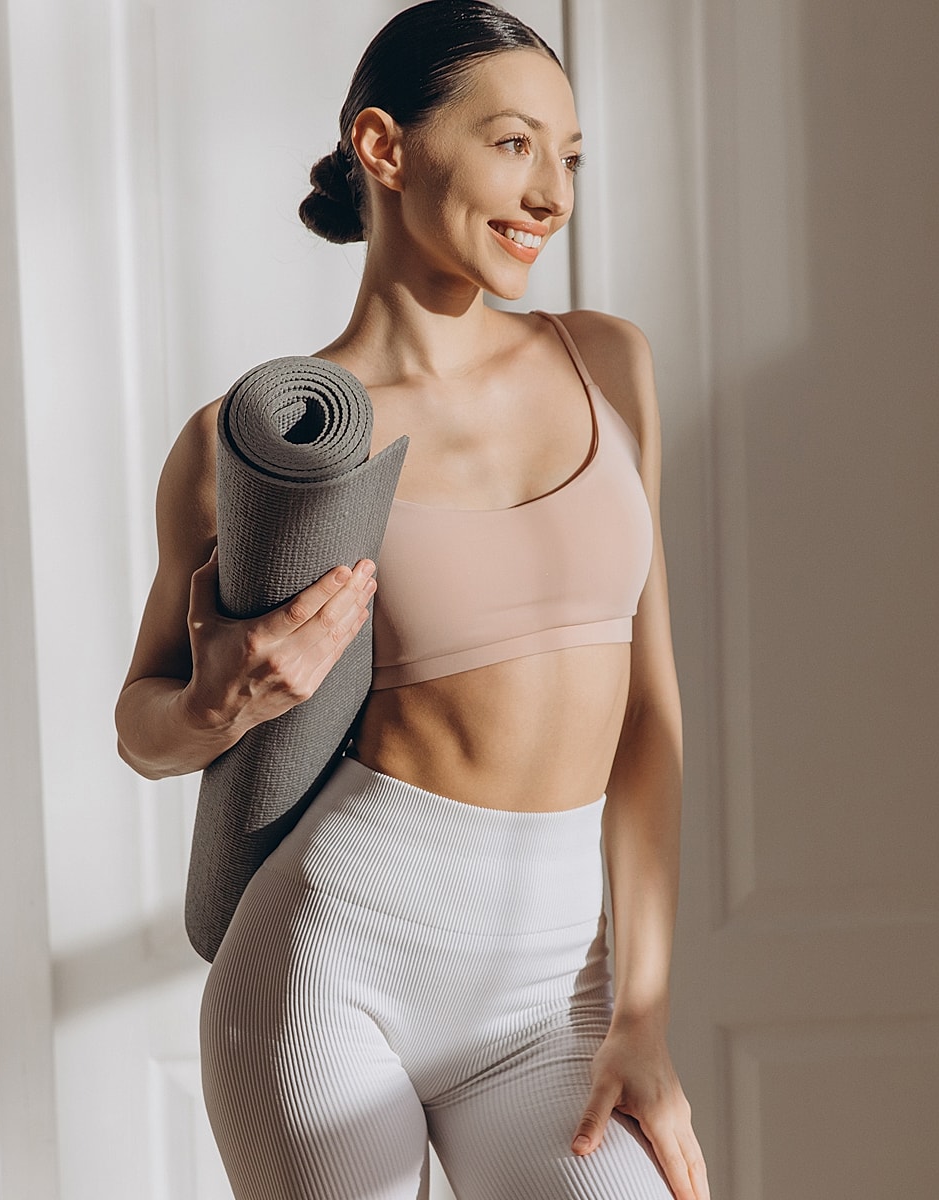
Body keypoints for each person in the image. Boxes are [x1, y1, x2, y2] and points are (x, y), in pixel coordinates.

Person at [113, 3, 707, 1197]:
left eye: (571, 157)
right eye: (512, 144)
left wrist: (638, 1013)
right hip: (326, 975)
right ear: (384, 148)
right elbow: (143, 728)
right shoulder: (264, 441)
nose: (551, 194)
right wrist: (227, 703)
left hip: (556, 997)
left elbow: (651, 717)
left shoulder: (608, 365)